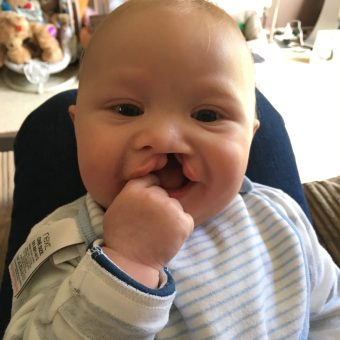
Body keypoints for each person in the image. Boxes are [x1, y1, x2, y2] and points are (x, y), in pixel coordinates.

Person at [4, 0, 340, 338]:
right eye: (127, 109)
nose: (165, 139)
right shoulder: (60, 243)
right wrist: (127, 264)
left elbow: (330, 312)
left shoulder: (282, 217)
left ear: (250, 139)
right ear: (78, 130)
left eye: (207, 115)